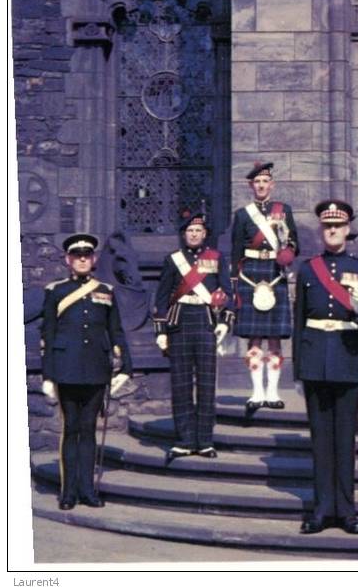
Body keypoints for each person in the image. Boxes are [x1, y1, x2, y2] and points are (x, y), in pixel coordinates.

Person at [293, 200, 358, 535]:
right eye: (327, 226)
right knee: (320, 441)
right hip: (315, 360)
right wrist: (298, 369)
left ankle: (346, 510)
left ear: (348, 230)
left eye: (338, 226)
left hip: (348, 359)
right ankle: (321, 509)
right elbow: (299, 320)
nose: (332, 231)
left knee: (345, 439)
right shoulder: (307, 269)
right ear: (322, 230)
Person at [40, 233, 132, 510]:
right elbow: (48, 332)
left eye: (87, 256)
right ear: (69, 260)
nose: (82, 260)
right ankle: (68, 491)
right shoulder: (55, 291)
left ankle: (87, 489)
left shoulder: (106, 290)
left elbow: (115, 330)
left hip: (95, 369)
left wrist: (125, 365)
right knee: (71, 429)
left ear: (92, 260)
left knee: (89, 429)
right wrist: (47, 375)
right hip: (66, 368)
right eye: (77, 256)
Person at [153, 211, 234, 461]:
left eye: (198, 230)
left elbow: (228, 293)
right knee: (181, 384)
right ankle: (185, 439)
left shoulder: (217, 258)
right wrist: (161, 331)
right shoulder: (173, 260)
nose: (194, 234)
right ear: (184, 234)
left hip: (206, 321)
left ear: (205, 234)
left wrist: (225, 323)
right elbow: (161, 296)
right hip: (179, 323)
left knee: (207, 384)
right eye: (190, 231)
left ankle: (205, 440)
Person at [230, 161, 298, 413]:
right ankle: (257, 391)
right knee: (254, 338)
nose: (261, 185)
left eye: (264, 181)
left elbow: (294, 243)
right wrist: (235, 282)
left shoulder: (284, 210)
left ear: (272, 184)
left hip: (275, 274)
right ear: (251, 185)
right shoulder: (242, 214)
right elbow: (236, 250)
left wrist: (288, 254)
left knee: (275, 339)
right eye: (256, 182)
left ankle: (273, 391)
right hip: (250, 276)